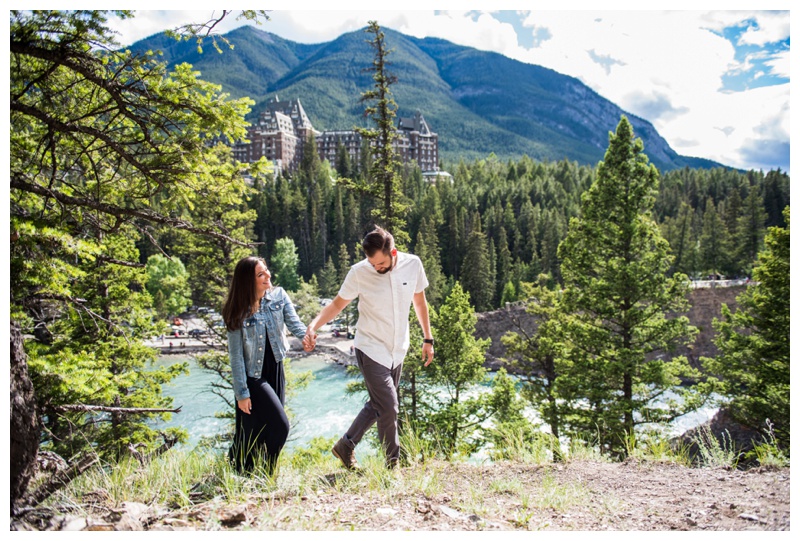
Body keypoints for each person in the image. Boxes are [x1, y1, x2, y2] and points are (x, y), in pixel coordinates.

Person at [303, 226, 434, 469]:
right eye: (373, 264)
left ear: (392, 251)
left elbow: (419, 301)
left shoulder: (413, 264)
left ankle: (346, 445)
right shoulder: (359, 272)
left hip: (398, 348)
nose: (377, 268)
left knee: (379, 404)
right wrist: (313, 326)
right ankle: (392, 466)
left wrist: (428, 338)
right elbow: (337, 305)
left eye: (381, 263)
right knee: (389, 406)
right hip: (370, 347)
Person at [223, 256, 309, 474]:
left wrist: (307, 337)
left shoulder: (279, 296)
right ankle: (260, 472)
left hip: (276, 370)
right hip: (253, 378)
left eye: (267, 270)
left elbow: (295, 324)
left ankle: (255, 474)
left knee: (262, 429)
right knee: (280, 426)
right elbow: (236, 357)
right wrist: (241, 392)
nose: (268, 276)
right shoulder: (237, 312)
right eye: (260, 274)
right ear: (247, 282)